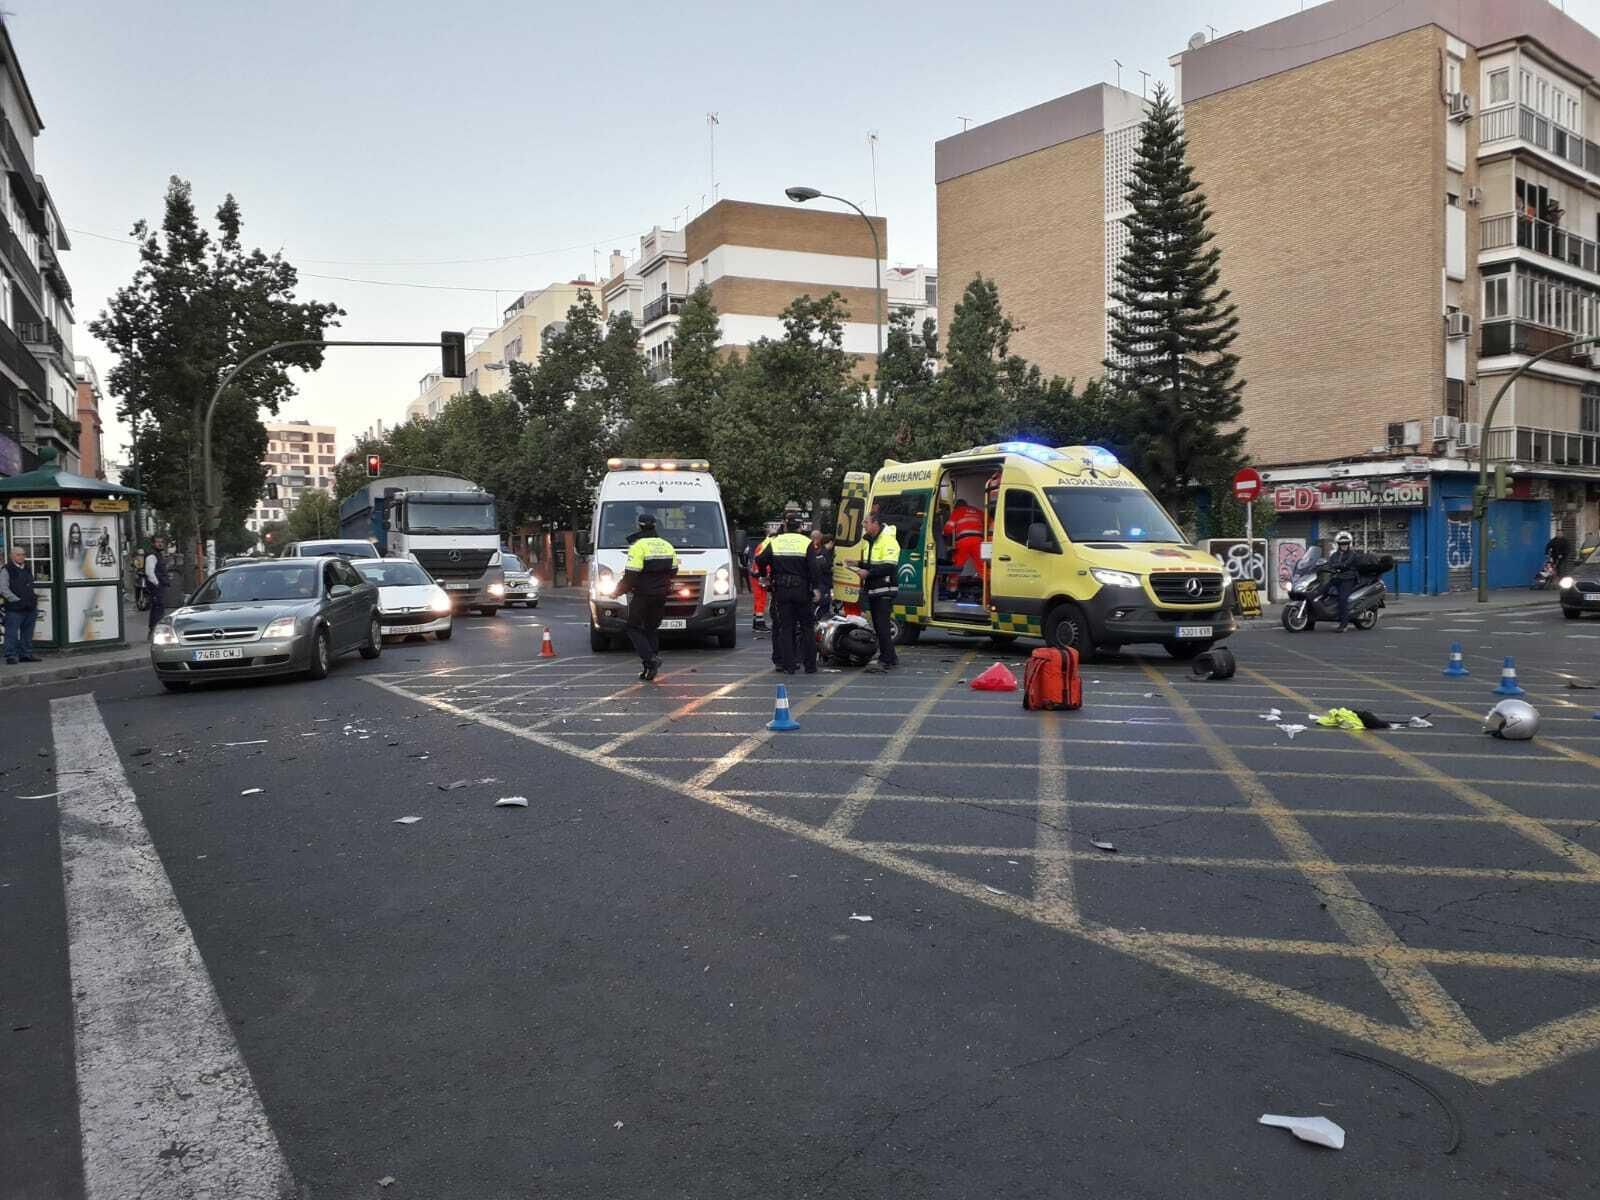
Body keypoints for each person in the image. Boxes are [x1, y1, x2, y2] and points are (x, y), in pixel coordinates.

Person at [612, 514, 679, 681]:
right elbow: (673, 571)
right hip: (661, 595)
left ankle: (650, 659)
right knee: (651, 629)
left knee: (633, 628)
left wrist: (617, 591)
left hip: (643, 595)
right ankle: (649, 669)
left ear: (639, 526)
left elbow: (631, 576)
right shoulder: (667, 545)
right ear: (655, 525)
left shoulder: (638, 546)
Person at [758, 512, 822, 675]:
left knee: (787, 628)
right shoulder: (806, 542)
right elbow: (814, 568)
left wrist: (763, 575)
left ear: (786, 526)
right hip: (801, 590)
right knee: (807, 627)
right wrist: (816, 588)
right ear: (800, 527)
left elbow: (760, 559)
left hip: (782, 591)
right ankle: (810, 666)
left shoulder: (776, 541)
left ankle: (789, 665)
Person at [856, 511, 901, 672]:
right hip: (875, 588)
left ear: (876, 523)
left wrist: (868, 573)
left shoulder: (888, 540)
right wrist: (858, 564)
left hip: (885, 588)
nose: (864, 525)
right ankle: (891, 656)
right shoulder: (870, 541)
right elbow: (873, 564)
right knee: (878, 624)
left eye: (866, 522)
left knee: (882, 626)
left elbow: (889, 566)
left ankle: (886, 659)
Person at [2, 544, 41, 664]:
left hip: (29, 606)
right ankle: (11, 655)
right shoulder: (6, 569)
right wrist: (15, 599)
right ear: (12, 556)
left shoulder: (27, 568)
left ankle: (26, 654)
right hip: (14, 608)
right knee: (11, 633)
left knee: (28, 632)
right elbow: (3, 588)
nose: (21, 557)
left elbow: (30, 585)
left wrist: (33, 597)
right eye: (18, 554)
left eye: (23, 554)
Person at [942, 497, 986, 592]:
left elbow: (948, 528)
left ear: (957, 506)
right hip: (978, 541)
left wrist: (944, 536)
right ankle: (989, 589)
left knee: (957, 566)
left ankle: (952, 589)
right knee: (982, 566)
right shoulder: (977, 511)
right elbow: (989, 521)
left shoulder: (957, 511)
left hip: (963, 541)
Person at [1325, 530, 1359, 632]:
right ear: (1338, 544)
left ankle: (1344, 625)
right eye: (1341, 544)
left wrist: (1338, 566)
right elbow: (1329, 564)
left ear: (1349, 544)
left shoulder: (1352, 554)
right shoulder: (1334, 554)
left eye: (1346, 544)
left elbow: (1346, 565)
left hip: (1349, 578)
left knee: (1343, 598)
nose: (1344, 545)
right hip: (1337, 577)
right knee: (1321, 590)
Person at [750, 521, 779, 632]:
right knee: (760, 599)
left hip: (757, 574)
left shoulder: (763, 543)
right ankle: (759, 623)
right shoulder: (768, 544)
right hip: (759, 575)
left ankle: (757, 622)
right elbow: (761, 560)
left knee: (759, 598)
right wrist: (763, 575)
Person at [145, 536, 171, 638]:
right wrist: (157, 584)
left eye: (161, 542)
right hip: (156, 588)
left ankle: (156, 632)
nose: (160, 544)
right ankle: (153, 632)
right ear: (153, 544)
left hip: (160, 587)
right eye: (157, 542)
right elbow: (149, 572)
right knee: (157, 609)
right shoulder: (152, 556)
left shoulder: (159, 555)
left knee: (159, 609)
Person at [810, 529, 836, 624]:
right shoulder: (825, 553)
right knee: (823, 604)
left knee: (817, 604)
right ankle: (819, 622)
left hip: (818, 582)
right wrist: (832, 569)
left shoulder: (815, 551)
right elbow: (824, 567)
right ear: (830, 542)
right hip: (823, 582)